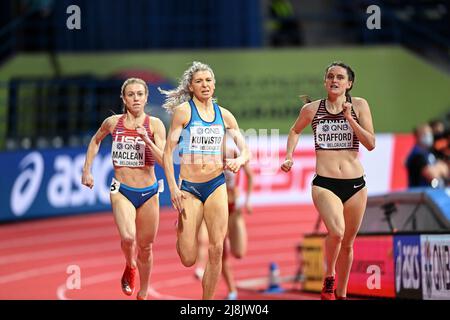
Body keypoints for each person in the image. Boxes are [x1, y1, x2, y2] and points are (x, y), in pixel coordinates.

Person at [281, 62, 376, 300]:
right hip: (325, 183)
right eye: (330, 76)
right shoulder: (312, 109)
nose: (335, 80)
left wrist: (350, 119)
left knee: (348, 244)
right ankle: (329, 275)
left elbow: (371, 144)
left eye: (340, 77)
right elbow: (294, 131)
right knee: (337, 231)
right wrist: (289, 156)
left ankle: (341, 294)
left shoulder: (360, 105)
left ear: (349, 83)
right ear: (325, 82)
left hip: (356, 185)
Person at [160, 61, 250, 300]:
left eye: (208, 80)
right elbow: (167, 153)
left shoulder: (225, 115)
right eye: (199, 81)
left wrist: (239, 160)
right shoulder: (184, 112)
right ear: (191, 86)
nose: (205, 85)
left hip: (216, 184)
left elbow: (245, 150)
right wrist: (172, 188)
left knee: (217, 248)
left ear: (214, 84)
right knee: (189, 258)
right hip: (189, 187)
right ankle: (180, 229)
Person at [81, 78, 166, 300]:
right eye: (131, 94)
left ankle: (144, 293)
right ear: (124, 98)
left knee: (146, 248)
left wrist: (147, 140)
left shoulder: (155, 124)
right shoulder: (113, 122)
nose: (136, 98)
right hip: (122, 190)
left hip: (149, 193)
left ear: (146, 97)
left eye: (140, 94)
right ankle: (130, 265)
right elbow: (96, 140)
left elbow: (165, 160)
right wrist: (87, 170)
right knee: (129, 238)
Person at [194, 149, 254, 300]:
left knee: (239, 252)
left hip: (233, 208)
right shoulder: (209, 153)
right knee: (219, 250)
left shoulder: (235, 151)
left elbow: (250, 175)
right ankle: (232, 290)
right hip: (217, 207)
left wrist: (247, 200)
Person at [406, 123, 448, 188]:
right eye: (425, 134)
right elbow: (431, 176)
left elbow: (445, 169)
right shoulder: (417, 155)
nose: (429, 136)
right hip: (420, 194)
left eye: (430, 133)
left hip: (432, 193)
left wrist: (437, 170)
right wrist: (438, 170)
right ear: (418, 136)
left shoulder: (430, 152)